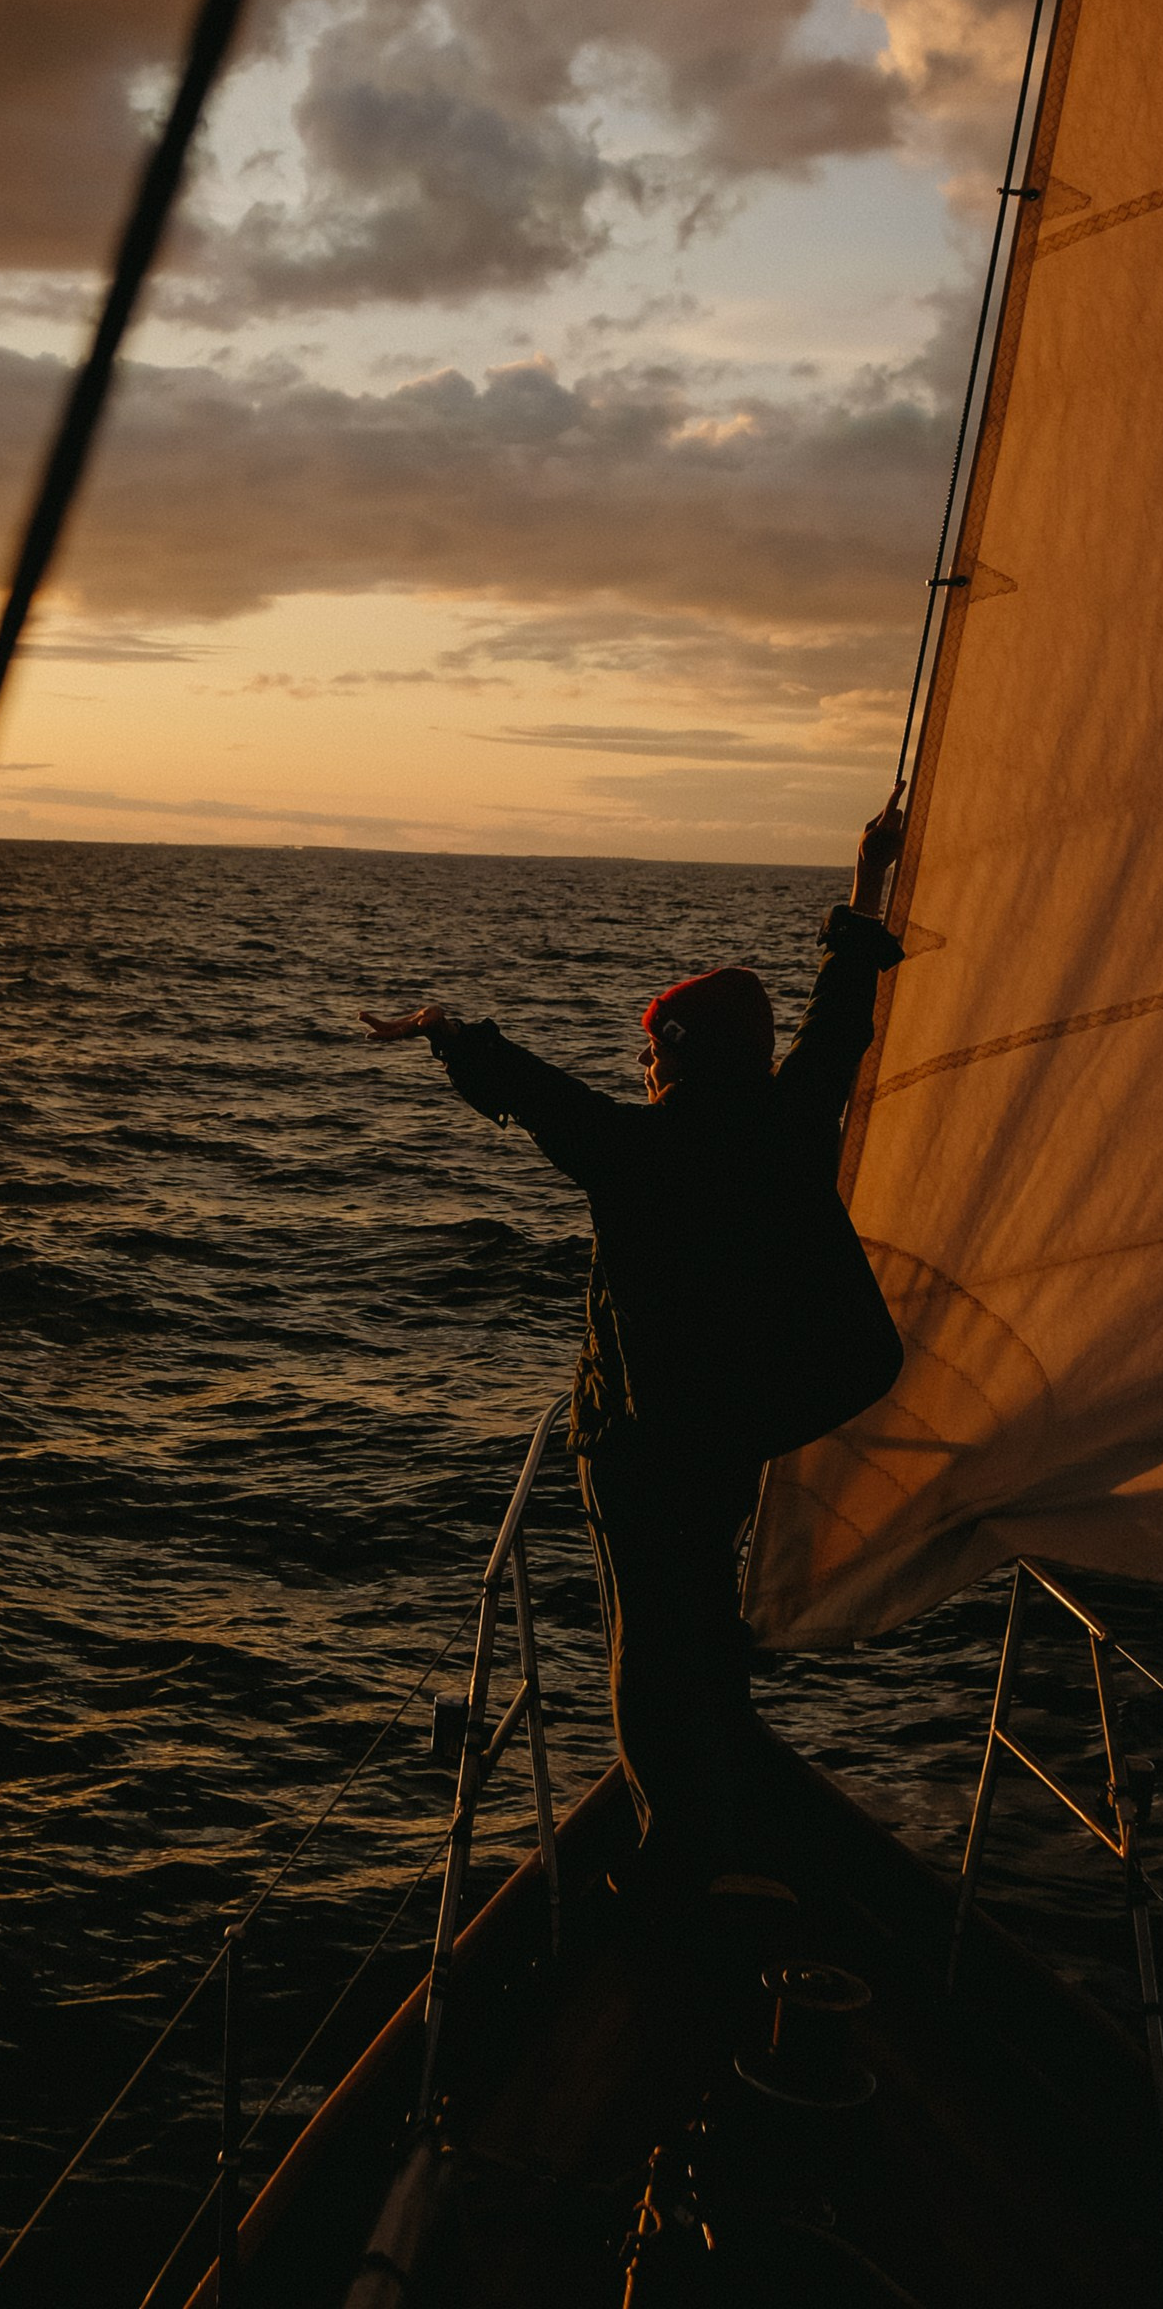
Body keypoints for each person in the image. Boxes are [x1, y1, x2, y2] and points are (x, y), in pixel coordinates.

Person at [360, 789, 908, 1902]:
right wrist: (865, 881)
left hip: (635, 1444)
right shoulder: (790, 1121)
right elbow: (840, 1015)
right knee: (701, 1620)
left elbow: (533, 1095)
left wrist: (446, 1032)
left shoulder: (638, 1152)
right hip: (730, 1435)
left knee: (647, 1650)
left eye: (657, 1053)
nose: (647, 1070)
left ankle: (678, 1862)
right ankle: (726, 1811)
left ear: (682, 1057)